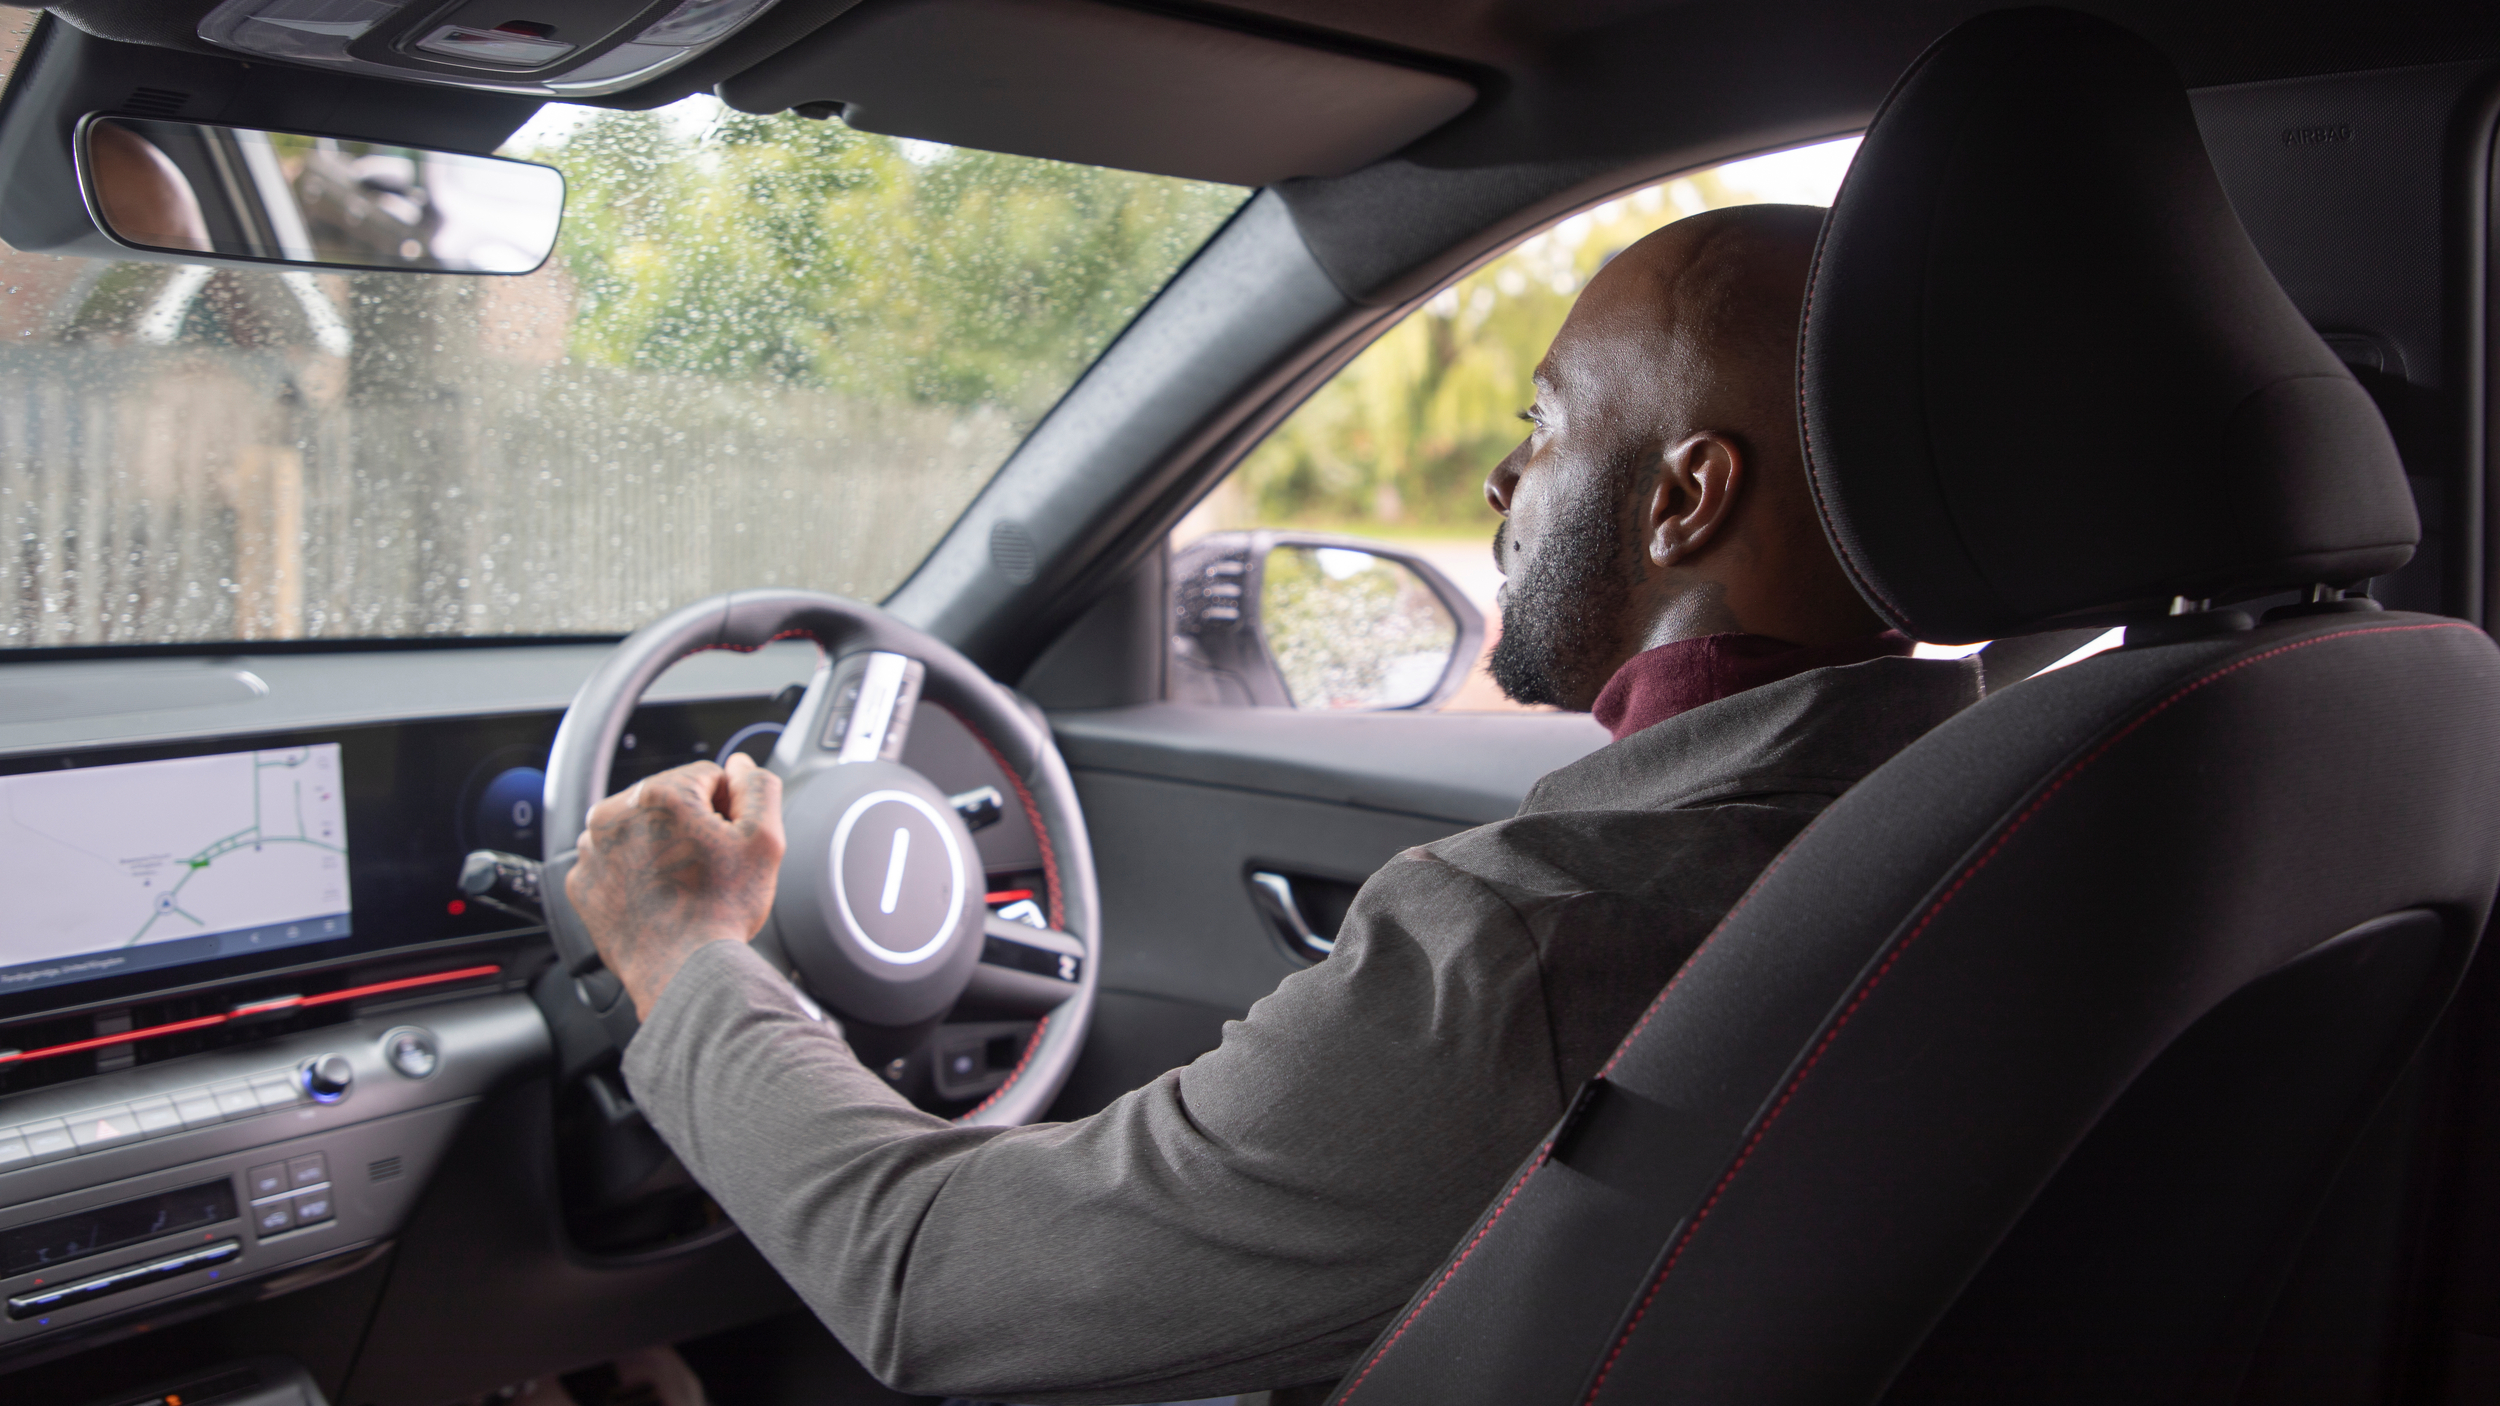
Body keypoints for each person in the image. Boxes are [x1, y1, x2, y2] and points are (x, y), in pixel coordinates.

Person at [566, 202, 1983, 1404]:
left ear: (1687, 500)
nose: (1501, 477)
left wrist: (684, 950)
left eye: (1542, 426)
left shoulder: (1526, 946)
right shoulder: (2018, 805)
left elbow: (928, 1275)